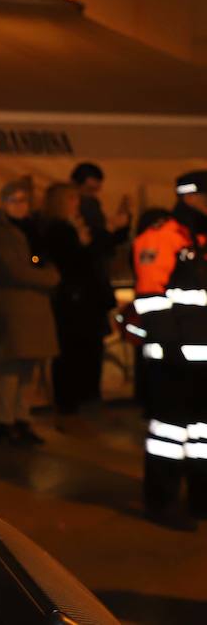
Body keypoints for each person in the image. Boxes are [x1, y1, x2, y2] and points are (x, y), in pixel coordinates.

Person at [131, 170, 207, 531]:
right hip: (173, 359)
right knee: (168, 434)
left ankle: (201, 500)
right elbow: (149, 298)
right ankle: (161, 503)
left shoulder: (202, 237)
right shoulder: (161, 238)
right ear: (192, 197)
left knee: (204, 436)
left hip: (203, 359)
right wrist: (169, 344)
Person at [0, 180, 59, 447]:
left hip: (34, 307)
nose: (20, 206)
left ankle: (22, 418)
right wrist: (48, 278)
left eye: (24, 200)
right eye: (14, 200)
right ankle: (5, 421)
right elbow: (15, 270)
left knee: (31, 367)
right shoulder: (0, 233)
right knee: (11, 367)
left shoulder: (31, 230)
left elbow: (39, 263)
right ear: (3, 203)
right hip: (13, 308)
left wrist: (45, 274)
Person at [41, 182, 111, 418]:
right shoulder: (58, 229)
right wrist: (82, 245)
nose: (77, 203)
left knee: (88, 350)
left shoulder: (74, 226)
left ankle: (84, 396)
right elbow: (72, 263)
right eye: (72, 199)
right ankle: (71, 399)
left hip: (85, 299)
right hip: (73, 301)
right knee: (72, 352)